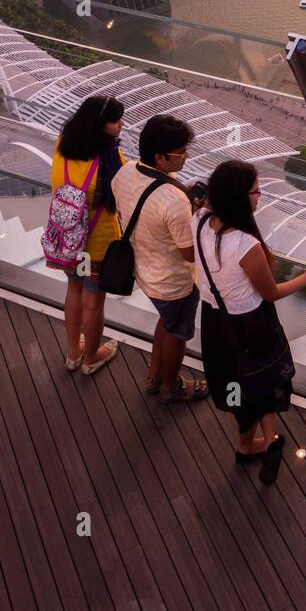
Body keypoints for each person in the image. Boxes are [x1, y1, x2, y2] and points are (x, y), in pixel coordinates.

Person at [193, 159, 306, 483]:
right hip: (251, 324)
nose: (260, 196)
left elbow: (190, 254)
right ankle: (256, 445)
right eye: (257, 190)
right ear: (241, 197)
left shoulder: (199, 220)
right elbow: (270, 292)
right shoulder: (246, 244)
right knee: (262, 376)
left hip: (215, 322)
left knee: (240, 380)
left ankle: (260, 444)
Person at [112, 114, 208, 404]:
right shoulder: (174, 200)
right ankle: (171, 387)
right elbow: (189, 253)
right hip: (173, 282)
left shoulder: (126, 172)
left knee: (166, 323)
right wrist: (196, 213)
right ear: (160, 156)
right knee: (177, 335)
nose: (186, 155)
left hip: (145, 271)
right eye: (181, 152)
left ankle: (155, 376)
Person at [51, 95, 125, 374]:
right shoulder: (109, 157)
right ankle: (91, 358)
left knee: (73, 288)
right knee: (93, 301)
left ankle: (73, 353)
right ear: (100, 124)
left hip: (67, 238)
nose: (121, 125)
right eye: (115, 121)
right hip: (95, 243)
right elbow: (118, 196)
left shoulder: (63, 144)